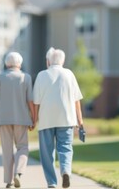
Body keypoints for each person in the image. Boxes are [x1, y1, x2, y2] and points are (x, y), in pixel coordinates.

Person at [33, 47, 84, 188]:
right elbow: (76, 101)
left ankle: (52, 183)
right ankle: (66, 171)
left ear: (49, 61)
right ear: (63, 60)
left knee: (47, 153)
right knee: (66, 147)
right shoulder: (69, 74)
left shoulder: (41, 75)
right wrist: (80, 121)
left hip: (46, 120)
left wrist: (34, 119)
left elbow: (35, 102)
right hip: (67, 118)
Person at [0, 52, 34, 188]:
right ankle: (18, 173)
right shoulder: (26, 77)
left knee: (6, 150)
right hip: (22, 119)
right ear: (19, 63)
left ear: (6, 64)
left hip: (3, 119)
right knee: (23, 147)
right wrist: (34, 118)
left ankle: (8, 181)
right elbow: (30, 101)